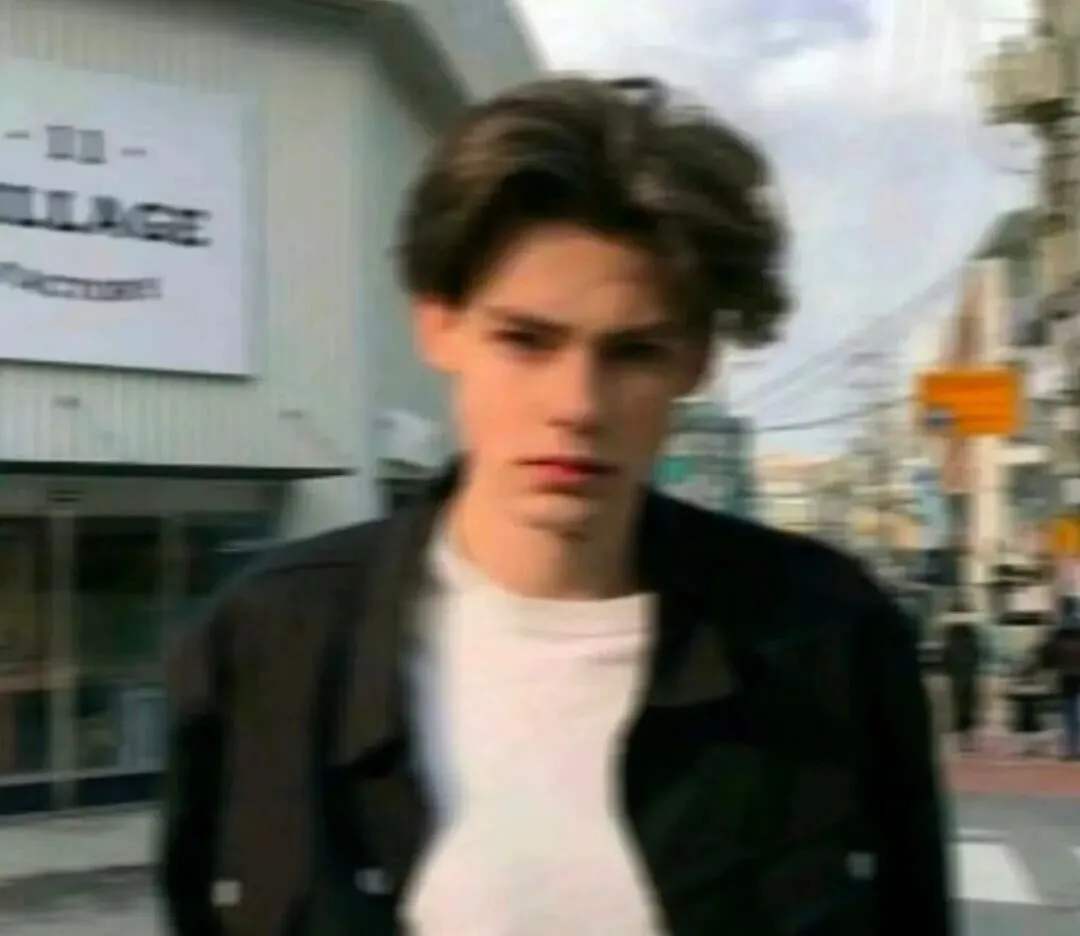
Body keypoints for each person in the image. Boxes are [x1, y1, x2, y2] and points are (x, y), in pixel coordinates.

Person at [157, 75, 952, 936]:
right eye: (525, 341)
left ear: (697, 362)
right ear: (439, 325)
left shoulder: (828, 637)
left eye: (634, 352)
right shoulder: (269, 644)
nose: (577, 404)